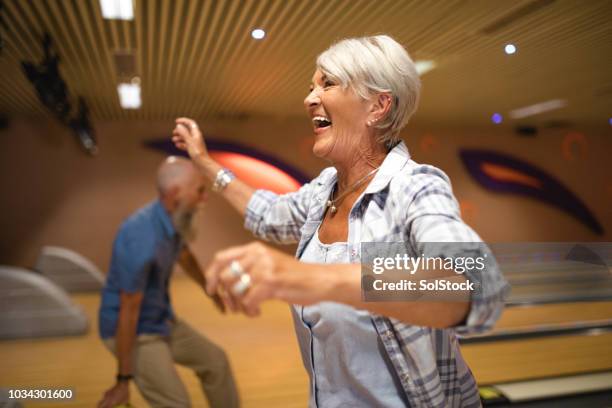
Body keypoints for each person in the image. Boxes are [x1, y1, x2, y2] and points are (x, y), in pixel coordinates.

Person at [172, 35, 510, 407]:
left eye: (327, 83)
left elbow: (477, 283)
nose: (309, 98)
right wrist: (204, 162)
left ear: (378, 106)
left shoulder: (414, 187)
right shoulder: (324, 191)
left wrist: (303, 278)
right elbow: (267, 214)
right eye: (311, 86)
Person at [97, 157, 239, 408]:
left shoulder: (172, 219)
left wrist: (210, 290)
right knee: (177, 404)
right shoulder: (140, 238)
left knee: (216, 363)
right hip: (134, 332)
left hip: (161, 320)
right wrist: (123, 379)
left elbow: (184, 256)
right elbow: (128, 311)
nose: (204, 198)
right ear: (176, 194)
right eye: (199, 190)